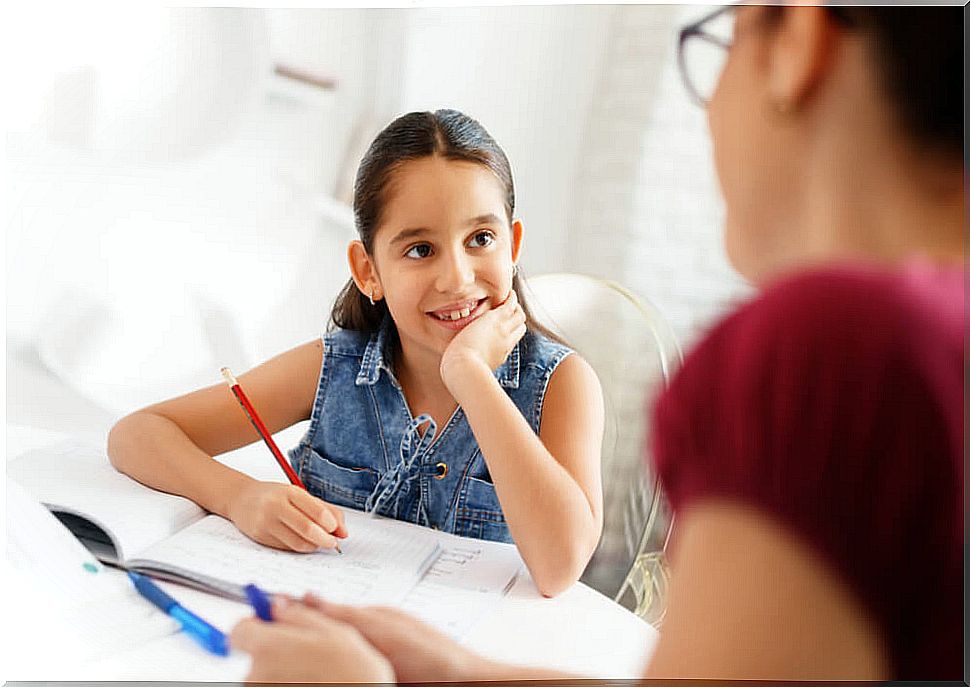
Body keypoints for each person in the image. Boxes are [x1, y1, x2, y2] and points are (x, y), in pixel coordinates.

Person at [230, 4, 963, 681]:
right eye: (419, 248)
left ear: (796, 43)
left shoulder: (835, 354)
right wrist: (463, 674)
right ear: (370, 268)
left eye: (716, 45)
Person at [108, 109, 605, 597]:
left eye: (480, 239)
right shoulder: (334, 369)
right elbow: (137, 434)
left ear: (512, 245)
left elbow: (559, 567)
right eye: (420, 249)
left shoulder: (561, 384)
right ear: (368, 271)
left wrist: (470, 374)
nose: (457, 277)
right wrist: (238, 496)